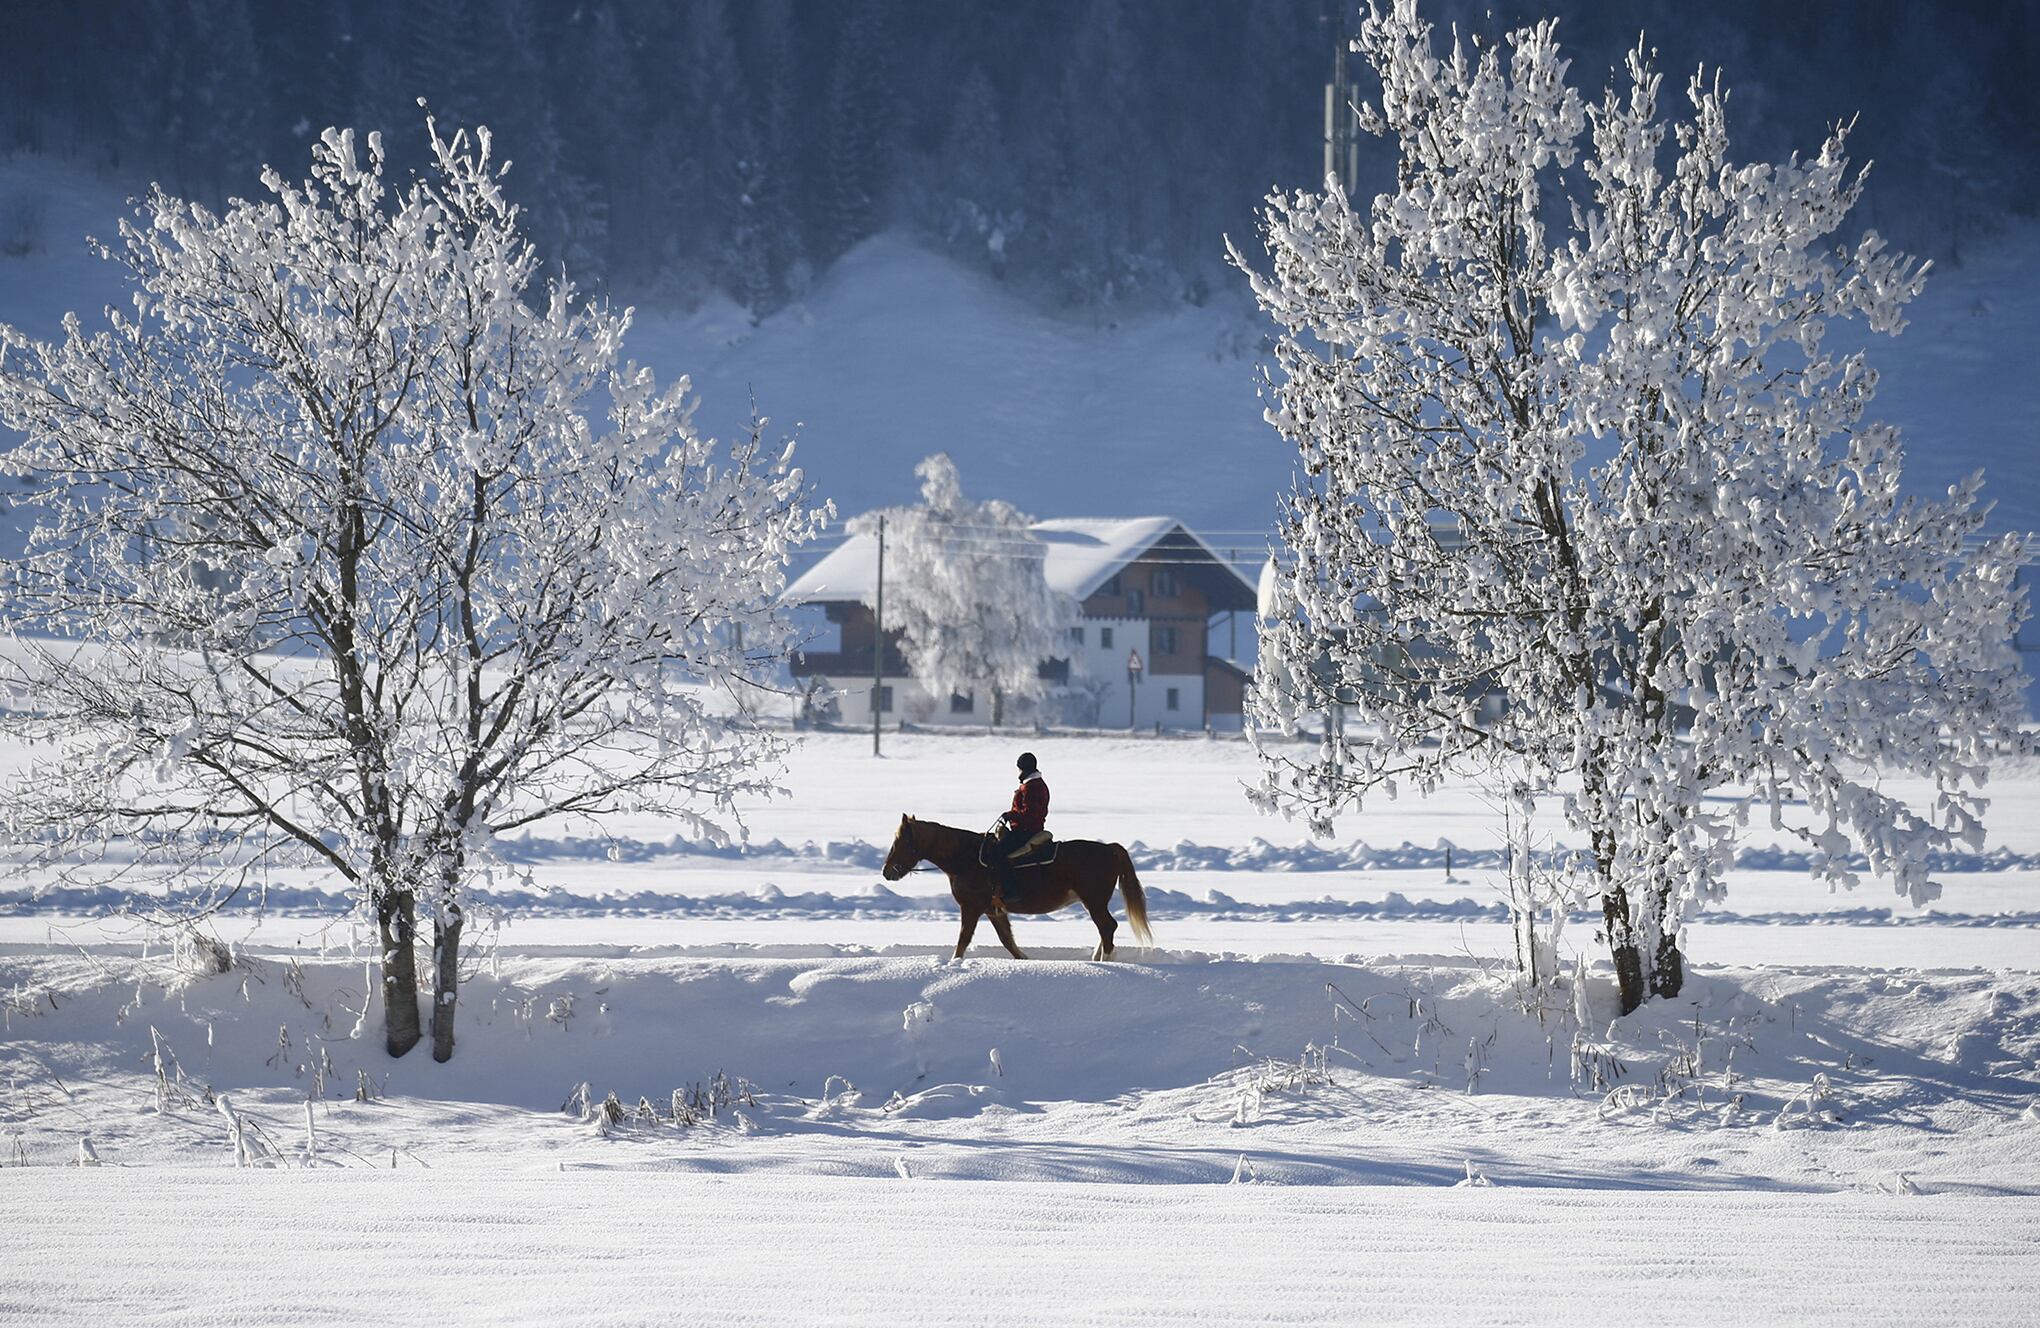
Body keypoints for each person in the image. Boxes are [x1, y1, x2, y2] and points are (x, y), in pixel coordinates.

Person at [990, 752, 1050, 907]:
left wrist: (1011, 816)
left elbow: (1030, 814)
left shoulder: (1032, 787)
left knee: (998, 855)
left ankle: (1011, 892)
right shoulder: (1033, 784)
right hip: (1025, 829)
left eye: (1019, 769)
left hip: (1026, 832)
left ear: (1024, 769)